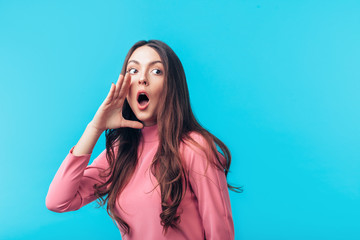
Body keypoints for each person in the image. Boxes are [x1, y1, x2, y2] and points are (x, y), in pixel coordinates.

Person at [46, 40, 241, 240]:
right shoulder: (121, 151)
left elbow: (220, 232)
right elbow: (58, 201)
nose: (142, 79)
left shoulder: (194, 147)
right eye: (133, 70)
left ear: (172, 85)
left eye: (156, 71)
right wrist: (95, 128)